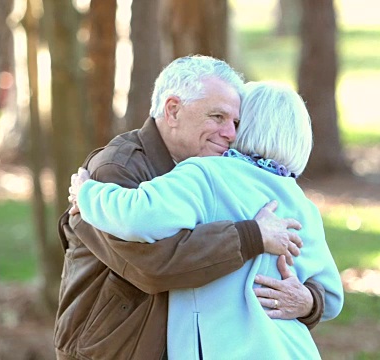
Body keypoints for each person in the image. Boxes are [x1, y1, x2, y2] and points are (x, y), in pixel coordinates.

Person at [55, 55, 326, 360]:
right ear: (173, 110)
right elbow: (152, 267)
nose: (231, 134)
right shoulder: (117, 169)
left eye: (235, 122)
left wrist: (309, 301)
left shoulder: (221, 176)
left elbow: (312, 274)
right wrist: (252, 236)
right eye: (217, 117)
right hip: (114, 349)